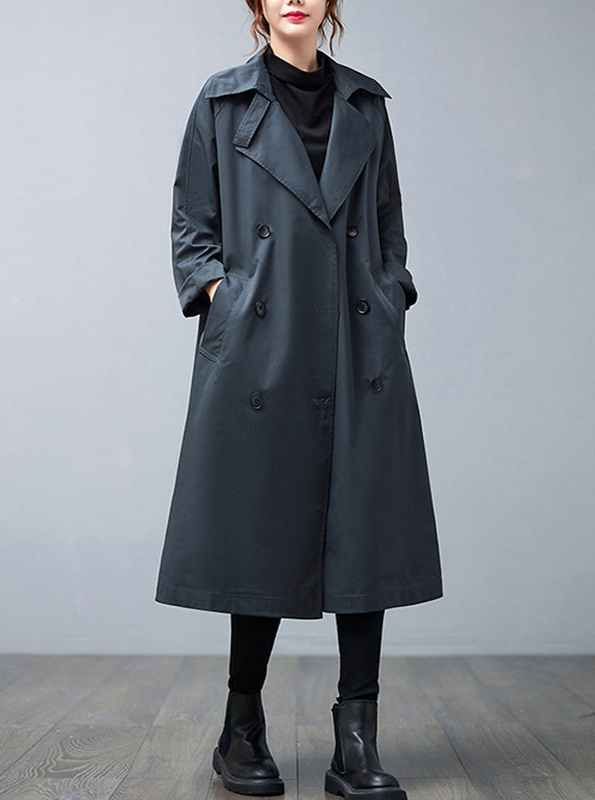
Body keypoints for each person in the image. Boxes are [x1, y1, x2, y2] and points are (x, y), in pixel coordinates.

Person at [155, 1, 444, 798]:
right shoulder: (222, 102)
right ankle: (241, 726)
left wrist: (390, 293)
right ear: (257, 5)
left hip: (356, 339)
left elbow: (387, 223)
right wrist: (225, 296)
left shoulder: (365, 105)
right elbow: (192, 225)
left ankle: (356, 740)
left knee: (363, 531)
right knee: (261, 525)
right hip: (264, 345)